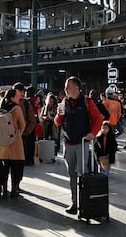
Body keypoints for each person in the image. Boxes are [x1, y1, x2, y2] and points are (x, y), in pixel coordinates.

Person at [54, 76, 102, 215]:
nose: (65, 90)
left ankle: (85, 202)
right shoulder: (64, 102)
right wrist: (58, 115)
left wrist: (92, 133)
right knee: (72, 174)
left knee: (83, 173)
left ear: (76, 87)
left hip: (82, 143)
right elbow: (58, 122)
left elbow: (98, 118)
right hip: (68, 142)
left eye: (68, 87)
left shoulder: (87, 101)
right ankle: (75, 202)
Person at [0, 89, 26, 199]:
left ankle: (3, 190)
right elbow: (22, 124)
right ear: (12, 98)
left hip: (2, 143)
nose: (19, 98)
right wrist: (18, 134)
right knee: (16, 167)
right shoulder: (16, 109)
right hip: (15, 142)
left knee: (3, 168)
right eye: (17, 96)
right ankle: (14, 190)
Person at [12, 82, 36, 167]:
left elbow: (32, 120)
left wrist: (25, 132)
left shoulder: (26, 103)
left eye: (21, 91)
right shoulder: (7, 102)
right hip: (12, 134)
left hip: (24, 134)